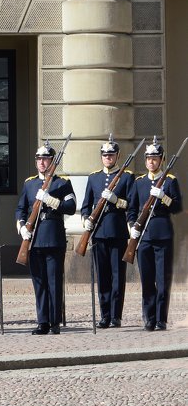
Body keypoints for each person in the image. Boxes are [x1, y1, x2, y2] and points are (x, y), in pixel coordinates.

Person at [16, 140, 76, 335]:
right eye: (39, 159)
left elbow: (71, 207)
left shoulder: (62, 183)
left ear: (52, 162)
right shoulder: (30, 183)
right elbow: (21, 209)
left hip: (53, 236)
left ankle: (55, 321)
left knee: (54, 282)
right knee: (39, 282)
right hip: (34, 239)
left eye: (46, 159)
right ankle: (42, 321)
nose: (42, 162)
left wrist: (50, 199)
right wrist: (22, 226)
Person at [127, 136, 183, 331]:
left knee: (162, 278)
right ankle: (149, 318)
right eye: (149, 159)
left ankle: (161, 319)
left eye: (155, 158)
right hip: (143, 237)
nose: (152, 162)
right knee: (147, 279)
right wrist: (132, 226)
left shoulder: (169, 181)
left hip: (163, 234)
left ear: (161, 160)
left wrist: (164, 197)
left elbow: (177, 207)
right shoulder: (139, 182)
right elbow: (132, 208)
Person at [80, 134, 134, 328]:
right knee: (102, 276)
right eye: (105, 155)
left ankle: (115, 316)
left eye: (111, 155)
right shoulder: (94, 177)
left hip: (118, 232)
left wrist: (115, 201)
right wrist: (86, 220)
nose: (107, 158)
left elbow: (131, 204)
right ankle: (104, 315)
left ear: (117, 156)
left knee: (117, 276)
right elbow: (86, 205)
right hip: (99, 233)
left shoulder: (127, 177)